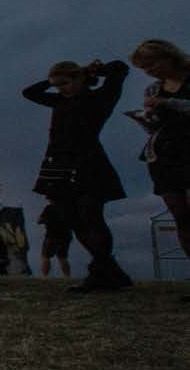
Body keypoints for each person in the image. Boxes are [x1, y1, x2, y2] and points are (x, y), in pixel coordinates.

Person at [24, 58, 133, 291]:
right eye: (57, 85)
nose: (61, 89)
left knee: (91, 216)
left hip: (88, 163)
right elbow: (29, 92)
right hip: (59, 164)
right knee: (72, 219)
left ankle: (103, 270)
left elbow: (120, 69)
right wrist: (53, 82)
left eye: (65, 83)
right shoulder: (58, 101)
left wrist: (92, 70)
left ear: (79, 79)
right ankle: (108, 269)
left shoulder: (99, 98)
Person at [128, 39, 190, 266]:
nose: (149, 72)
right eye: (144, 68)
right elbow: (155, 126)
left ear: (168, 56)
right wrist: (143, 120)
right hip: (164, 154)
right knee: (181, 217)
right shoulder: (154, 89)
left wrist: (169, 103)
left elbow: (176, 107)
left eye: (151, 65)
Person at [37, 203, 72, 277]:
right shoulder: (68, 208)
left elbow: (39, 220)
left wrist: (48, 221)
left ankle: (45, 276)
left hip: (52, 235)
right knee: (62, 257)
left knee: (45, 256)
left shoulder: (50, 208)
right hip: (66, 236)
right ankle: (67, 276)